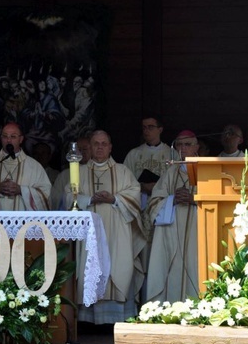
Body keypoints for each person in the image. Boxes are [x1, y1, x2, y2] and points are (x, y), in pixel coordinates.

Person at [73, 130, 145, 324]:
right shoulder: (78, 172)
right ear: (90, 146)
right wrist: (89, 199)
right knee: (89, 267)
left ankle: (116, 317)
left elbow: (135, 195)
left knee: (117, 265)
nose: (100, 147)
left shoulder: (123, 171)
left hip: (117, 230)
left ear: (110, 147)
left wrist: (115, 198)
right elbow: (69, 197)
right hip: (89, 232)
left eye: (104, 144)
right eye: (96, 143)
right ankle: (88, 319)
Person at [144, 130, 200, 303]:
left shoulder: (207, 170)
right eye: (179, 145)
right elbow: (154, 202)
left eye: (188, 144)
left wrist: (194, 200)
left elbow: (218, 202)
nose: (183, 148)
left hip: (197, 232)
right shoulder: (170, 173)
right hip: (172, 232)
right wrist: (171, 200)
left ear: (197, 147)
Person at [0, 122, 51, 210]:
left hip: (23, 222)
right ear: (1, 139)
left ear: (21, 139)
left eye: (13, 136)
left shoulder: (34, 166)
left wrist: (22, 190)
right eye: (5, 136)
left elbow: (46, 195)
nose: (8, 140)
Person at [122, 117, 172, 210]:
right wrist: (141, 186)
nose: (146, 130)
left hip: (163, 203)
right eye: (144, 127)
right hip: (139, 202)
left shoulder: (171, 154)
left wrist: (157, 187)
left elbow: (176, 181)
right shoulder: (134, 154)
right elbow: (124, 181)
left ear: (160, 129)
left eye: (150, 127)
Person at [50, 134, 91, 211]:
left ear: (92, 150)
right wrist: (69, 198)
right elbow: (55, 197)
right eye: (79, 149)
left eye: (85, 149)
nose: (81, 152)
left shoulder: (96, 172)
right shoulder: (64, 175)